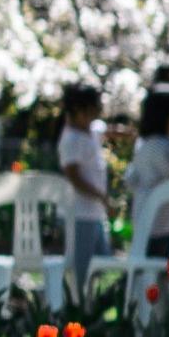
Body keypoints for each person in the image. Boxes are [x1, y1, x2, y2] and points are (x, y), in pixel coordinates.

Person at [54, 82, 112, 301]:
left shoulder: (91, 131)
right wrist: (100, 196)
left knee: (100, 262)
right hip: (78, 214)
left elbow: (107, 130)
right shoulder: (71, 139)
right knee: (81, 269)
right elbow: (73, 175)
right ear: (78, 110)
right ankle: (73, 307)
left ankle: (89, 304)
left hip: (94, 214)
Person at [123, 81, 169, 221]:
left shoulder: (143, 143)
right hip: (162, 222)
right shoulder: (162, 147)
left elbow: (131, 178)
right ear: (168, 114)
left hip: (144, 218)